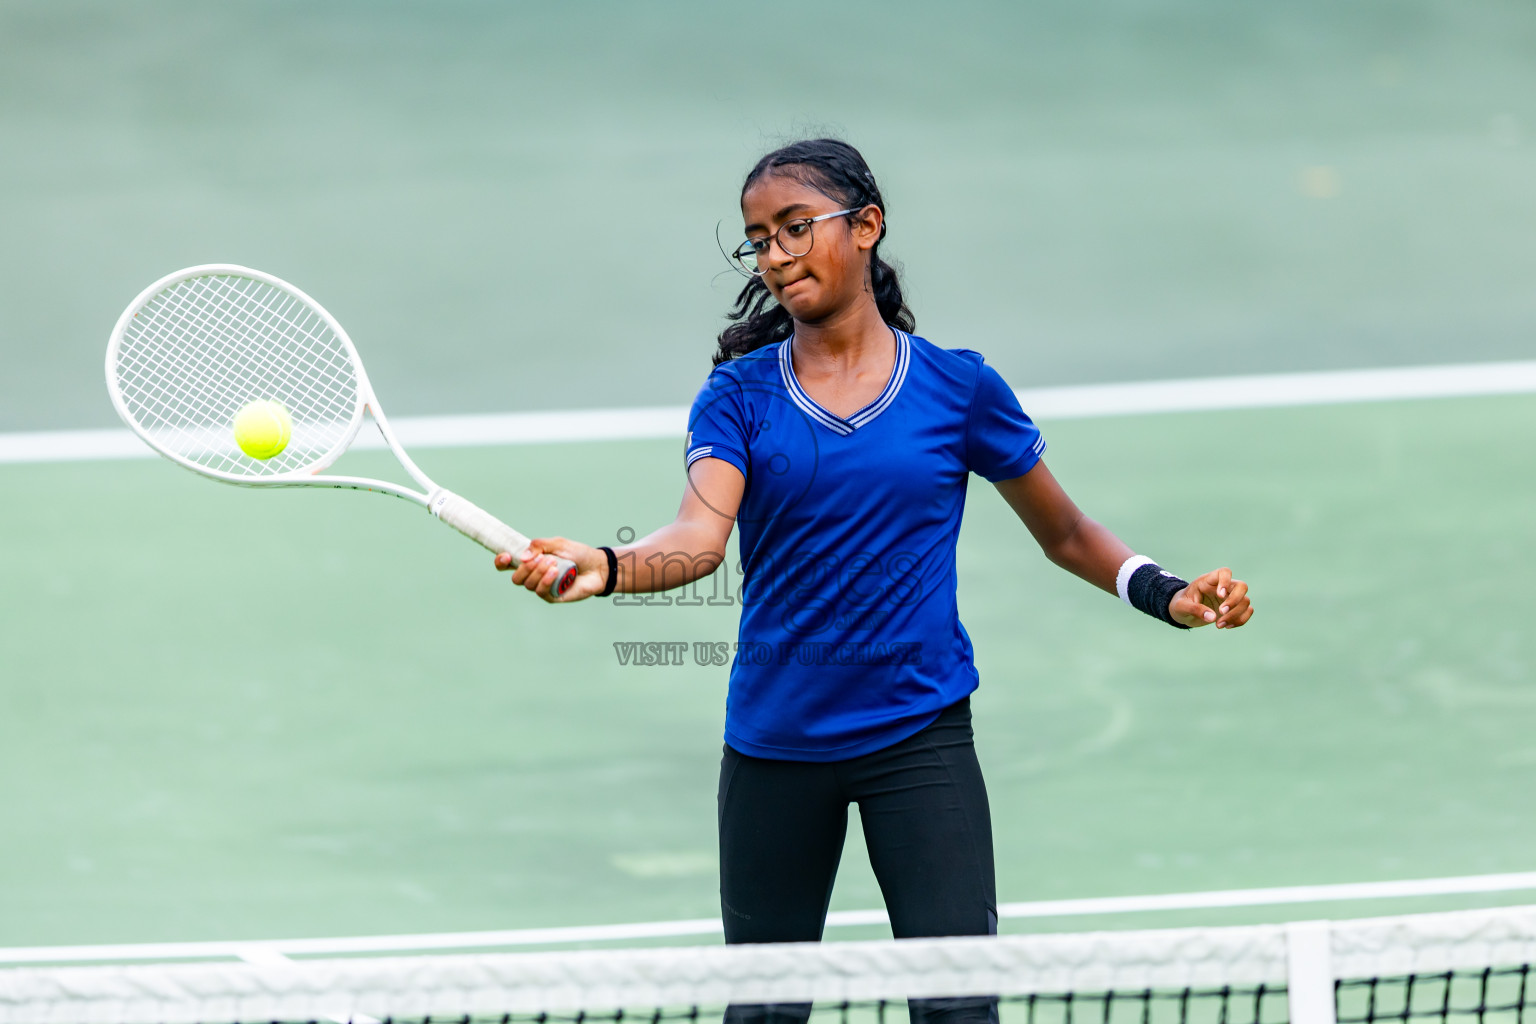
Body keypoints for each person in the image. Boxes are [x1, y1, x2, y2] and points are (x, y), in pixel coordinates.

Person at [496, 138, 1253, 1023]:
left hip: (919, 741)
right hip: (776, 747)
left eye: (793, 229)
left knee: (959, 1011)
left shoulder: (957, 388)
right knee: (766, 1014)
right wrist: (608, 565)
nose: (775, 256)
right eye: (757, 239)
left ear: (866, 226)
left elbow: (1068, 532)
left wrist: (1166, 593)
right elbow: (698, 539)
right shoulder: (739, 396)